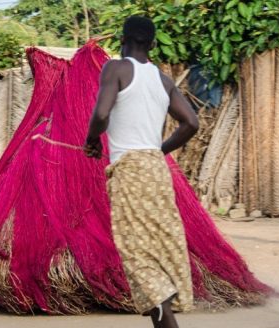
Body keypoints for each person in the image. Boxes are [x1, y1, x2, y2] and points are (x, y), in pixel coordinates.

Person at [84, 16, 199, 328]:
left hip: (130, 172)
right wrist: (159, 149)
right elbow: (191, 123)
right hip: (157, 171)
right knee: (157, 251)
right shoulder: (162, 81)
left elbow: (102, 112)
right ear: (151, 44)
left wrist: (92, 138)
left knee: (137, 255)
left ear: (123, 40)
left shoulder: (116, 69)